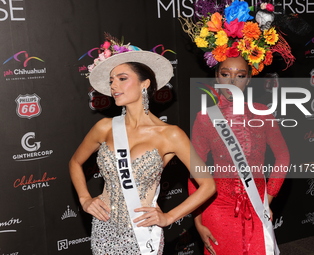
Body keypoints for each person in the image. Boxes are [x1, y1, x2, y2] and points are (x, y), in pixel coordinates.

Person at [69, 35, 216, 255]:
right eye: (111, 80)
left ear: (144, 83)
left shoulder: (170, 134)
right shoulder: (104, 127)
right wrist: (84, 199)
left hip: (143, 233)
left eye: (122, 78)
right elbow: (75, 162)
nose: (114, 86)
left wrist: (169, 217)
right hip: (104, 229)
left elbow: (208, 185)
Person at [181, 1, 293, 254]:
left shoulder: (263, 112)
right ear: (216, 77)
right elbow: (194, 169)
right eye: (225, 74)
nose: (232, 81)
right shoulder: (205, 117)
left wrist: (268, 198)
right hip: (216, 209)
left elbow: (283, 156)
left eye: (240, 75)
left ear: (250, 77)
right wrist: (198, 220)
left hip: (257, 204)